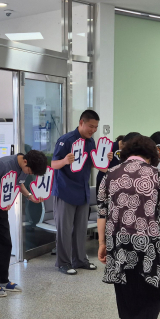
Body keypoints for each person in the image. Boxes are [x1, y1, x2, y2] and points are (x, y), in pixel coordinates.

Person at [97, 135, 160, 319]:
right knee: (152, 289)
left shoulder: (110, 174)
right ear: (150, 155)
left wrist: (102, 243)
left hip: (118, 240)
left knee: (124, 287)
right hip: (148, 240)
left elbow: (102, 212)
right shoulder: (156, 175)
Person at [0, 149, 47, 296]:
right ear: (25, 162)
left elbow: (19, 183)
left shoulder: (24, 167)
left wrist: (30, 196)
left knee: (5, 243)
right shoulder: (2, 165)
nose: (29, 174)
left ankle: (3, 280)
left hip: (2, 208)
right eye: (30, 171)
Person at [51, 109, 110, 275]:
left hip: (82, 191)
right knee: (64, 230)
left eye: (96, 127)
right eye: (91, 126)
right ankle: (63, 263)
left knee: (80, 229)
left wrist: (104, 160)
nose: (93, 130)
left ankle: (80, 260)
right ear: (81, 123)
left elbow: (91, 163)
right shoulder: (66, 140)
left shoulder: (90, 142)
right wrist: (64, 161)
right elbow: (53, 164)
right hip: (65, 191)